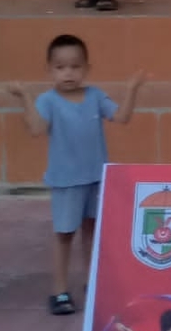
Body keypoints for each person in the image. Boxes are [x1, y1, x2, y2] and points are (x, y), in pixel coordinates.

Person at [8, 34, 145, 314]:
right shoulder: (48, 101)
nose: (68, 73)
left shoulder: (95, 96)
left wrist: (132, 90)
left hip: (96, 178)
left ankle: (93, 281)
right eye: (60, 67)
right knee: (64, 234)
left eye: (75, 66)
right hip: (66, 181)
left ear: (87, 68)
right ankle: (59, 291)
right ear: (49, 70)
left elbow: (121, 117)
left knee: (92, 231)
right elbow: (36, 129)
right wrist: (25, 97)